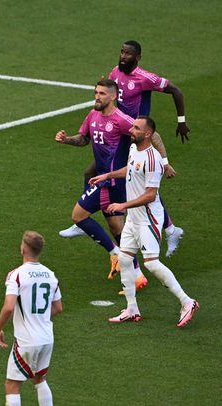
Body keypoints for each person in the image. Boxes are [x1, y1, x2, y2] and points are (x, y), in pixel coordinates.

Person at [61, 40, 186, 258]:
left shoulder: (145, 78)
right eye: (121, 52)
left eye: (128, 53)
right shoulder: (114, 74)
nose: (123, 56)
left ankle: (169, 230)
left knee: (142, 186)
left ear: (137, 58)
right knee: (92, 172)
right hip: (118, 131)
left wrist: (179, 125)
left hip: (133, 131)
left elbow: (174, 91)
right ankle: (87, 220)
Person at [89, 116, 198, 326]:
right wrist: (107, 175)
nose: (131, 130)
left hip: (148, 218)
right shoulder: (133, 149)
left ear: (147, 134)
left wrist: (122, 206)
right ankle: (132, 309)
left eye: (136, 128)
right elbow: (130, 170)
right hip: (134, 217)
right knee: (124, 258)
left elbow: (150, 194)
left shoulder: (152, 159)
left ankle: (187, 301)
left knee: (152, 264)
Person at [55, 79, 147, 287]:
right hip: (104, 179)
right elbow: (84, 139)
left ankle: (115, 254)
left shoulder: (121, 119)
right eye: (96, 92)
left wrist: (155, 161)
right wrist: (66, 139)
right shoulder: (93, 114)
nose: (97, 96)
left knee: (78, 215)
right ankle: (137, 274)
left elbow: (145, 136)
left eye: (102, 93)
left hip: (111, 182)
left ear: (113, 96)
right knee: (117, 228)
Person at [0, 231, 62, 406]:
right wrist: (39, 317)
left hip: (27, 340)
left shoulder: (16, 275)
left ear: (23, 249)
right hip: (47, 338)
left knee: (12, 385)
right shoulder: (51, 275)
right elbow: (58, 308)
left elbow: (9, 307)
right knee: (39, 379)